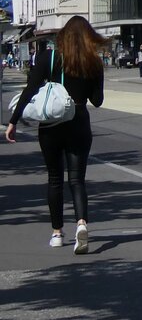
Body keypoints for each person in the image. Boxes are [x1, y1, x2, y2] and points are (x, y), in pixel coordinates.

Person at [5, 15, 105, 254]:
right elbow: (97, 101)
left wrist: (13, 121)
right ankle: (81, 223)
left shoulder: (48, 58)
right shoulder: (93, 62)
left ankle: (57, 233)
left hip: (51, 125)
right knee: (77, 180)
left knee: (54, 179)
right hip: (79, 121)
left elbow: (30, 90)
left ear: (64, 37)